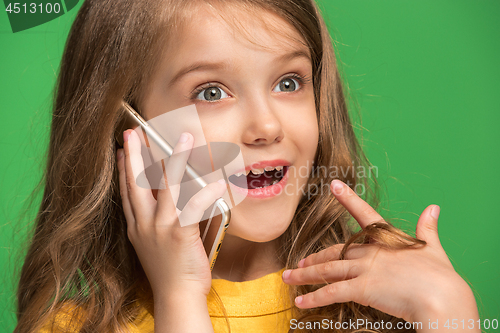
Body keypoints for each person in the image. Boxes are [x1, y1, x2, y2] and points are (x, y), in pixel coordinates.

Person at [14, 0, 480, 332]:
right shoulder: (73, 327)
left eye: (289, 81)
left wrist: (449, 314)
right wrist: (179, 300)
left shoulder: (380, 306)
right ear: (128, 129)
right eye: (210, 92)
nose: (265, 125)